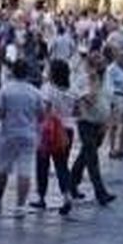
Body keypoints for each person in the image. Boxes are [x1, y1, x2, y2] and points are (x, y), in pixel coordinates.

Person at [0, 59, 43, 215]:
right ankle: (20, 205)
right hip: (28, 134)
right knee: (25, 170)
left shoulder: (6, 90)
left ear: (13, 71)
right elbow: (41, 115)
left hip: (8, 133)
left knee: (2, 167)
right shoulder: (35, 92)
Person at [69, 53, 116, 206]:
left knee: (86, 155)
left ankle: (71, 182)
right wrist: (93, 81)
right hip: (86, 122)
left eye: (103, 64)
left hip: (101, 122)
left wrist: (108, 122)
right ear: (91, 66)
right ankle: (100, 192)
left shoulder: (108, 78)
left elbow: (110, 100)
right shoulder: (82, 80)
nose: (102, 68)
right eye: (98, 65)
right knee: (92, 158)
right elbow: (90, 100)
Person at [34, 58, 77, 214]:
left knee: (42, 164)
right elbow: (76, 111)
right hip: (68, 130)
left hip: (49, 131)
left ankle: (41, 198)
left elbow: (44, 110)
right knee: (61, 165)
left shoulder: (47, 89)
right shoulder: (72, 90)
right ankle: (66, 195)